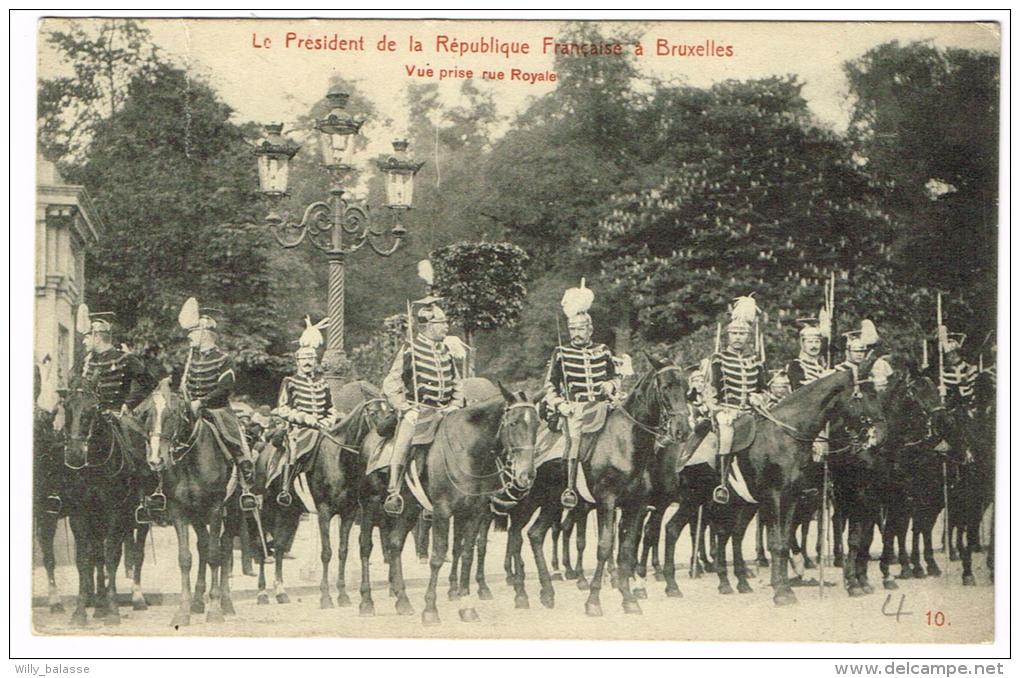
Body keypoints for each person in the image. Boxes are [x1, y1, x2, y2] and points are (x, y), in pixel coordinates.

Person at [381, 297, 465, 516]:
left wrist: (455, 405)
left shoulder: (445, 351)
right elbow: (391, 383)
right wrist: (405, 408)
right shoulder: (410, 349)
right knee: (404, 441)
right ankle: (394, 490)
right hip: (418, 411)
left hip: (446, 412)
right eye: (442, 323)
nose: (446, 326)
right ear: (428, 326)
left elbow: (457, 383)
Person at [542, 280, 620, 508]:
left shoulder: (603, 350)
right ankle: (569, 489)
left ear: (590, 329)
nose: (576, 333)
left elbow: (615, 377)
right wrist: (560, 404)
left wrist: (611, 386)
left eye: (580, 328)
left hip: (602, 406)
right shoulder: (561, 353)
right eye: (572, 329)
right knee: (574, 440)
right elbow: (550, 386)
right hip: (575, 408)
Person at [175, 297, 257, 509]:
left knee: (234, 438)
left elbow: (224, 388)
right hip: (191, 409)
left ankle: (245, 479)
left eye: (192, 333)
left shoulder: (223, 358)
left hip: (217, 409)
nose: (189, 337)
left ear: (204, 333)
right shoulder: (192, 359)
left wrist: (201, 402)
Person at [706, 296, 768, 504]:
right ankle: (722, 483)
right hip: (727, 412)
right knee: (725, 436)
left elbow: (764, 389)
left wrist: (759, 397)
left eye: (742, 334)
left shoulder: (755, 361)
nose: (738, 338)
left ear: (748, 336)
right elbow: (710, 390)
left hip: (752, 413)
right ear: (728, 336)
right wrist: (717, 411)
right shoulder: (719, 359)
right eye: (734, 334)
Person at [271, 316, 339, 506]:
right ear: (298, 361)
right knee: (293, 449)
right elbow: (282, 408)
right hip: (298, 429)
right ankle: (285, 488)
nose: (308, 361)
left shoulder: (322, 382)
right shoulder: (289, 381)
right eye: (304, 358)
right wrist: (305, 418)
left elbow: (331, 407)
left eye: (311, 358)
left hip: (323, 428)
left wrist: (328, 421)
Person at [79, 309, 155, 415]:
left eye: (87, 337)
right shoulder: (87, 362)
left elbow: (149, 383)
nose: (84, 342)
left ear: (97, 338)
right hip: (91, 418)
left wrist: (129, 404)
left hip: (117, 416)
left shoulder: (125, 358)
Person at [939, 330, 978, 412]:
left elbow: (975, 390)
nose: (949, 357)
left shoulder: (971, 369)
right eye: (947, 355)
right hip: (951, 408)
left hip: (970, 406)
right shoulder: (943, 371)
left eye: (952, 354)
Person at [786, 318, 828, 390]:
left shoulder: (824, 363)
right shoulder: (796, 365)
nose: (814, 346)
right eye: (810, 342)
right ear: (803, 344)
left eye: (817, 342)